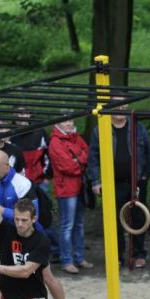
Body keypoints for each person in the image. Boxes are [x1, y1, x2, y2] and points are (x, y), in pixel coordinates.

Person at [0, 150, 74, 299]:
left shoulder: (21, 183)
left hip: (32, 237)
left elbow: (34, 214)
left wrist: (5, 212)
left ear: (6, 166)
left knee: (46, 275)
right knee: (1, 275)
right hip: (9, 235)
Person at [87, 101, 150, 269]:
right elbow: (93, 157)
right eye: (117, 108)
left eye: (124, 107)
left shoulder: (138, 128)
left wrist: (145, 175)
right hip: (112, 182)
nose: (121, 111)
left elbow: (148, 152)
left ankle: (138, 254)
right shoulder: (100, 129)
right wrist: (96, 181)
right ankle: (117, 255)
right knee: (113, 220)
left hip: (136, 181)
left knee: (138, 218)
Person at [48, 117, 94, 274]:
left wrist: (77, 160)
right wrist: (79, 161)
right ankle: (67, 260)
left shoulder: (76, 137)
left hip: (79, 186)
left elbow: (87, 155)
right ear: (58, 124)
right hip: (66, 189)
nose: (68, 124)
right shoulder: (55, 142)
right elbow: (67, 166)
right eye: (65, 122)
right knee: (67, 225)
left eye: (70, 121)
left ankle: (79, 257)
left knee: (79, 224)